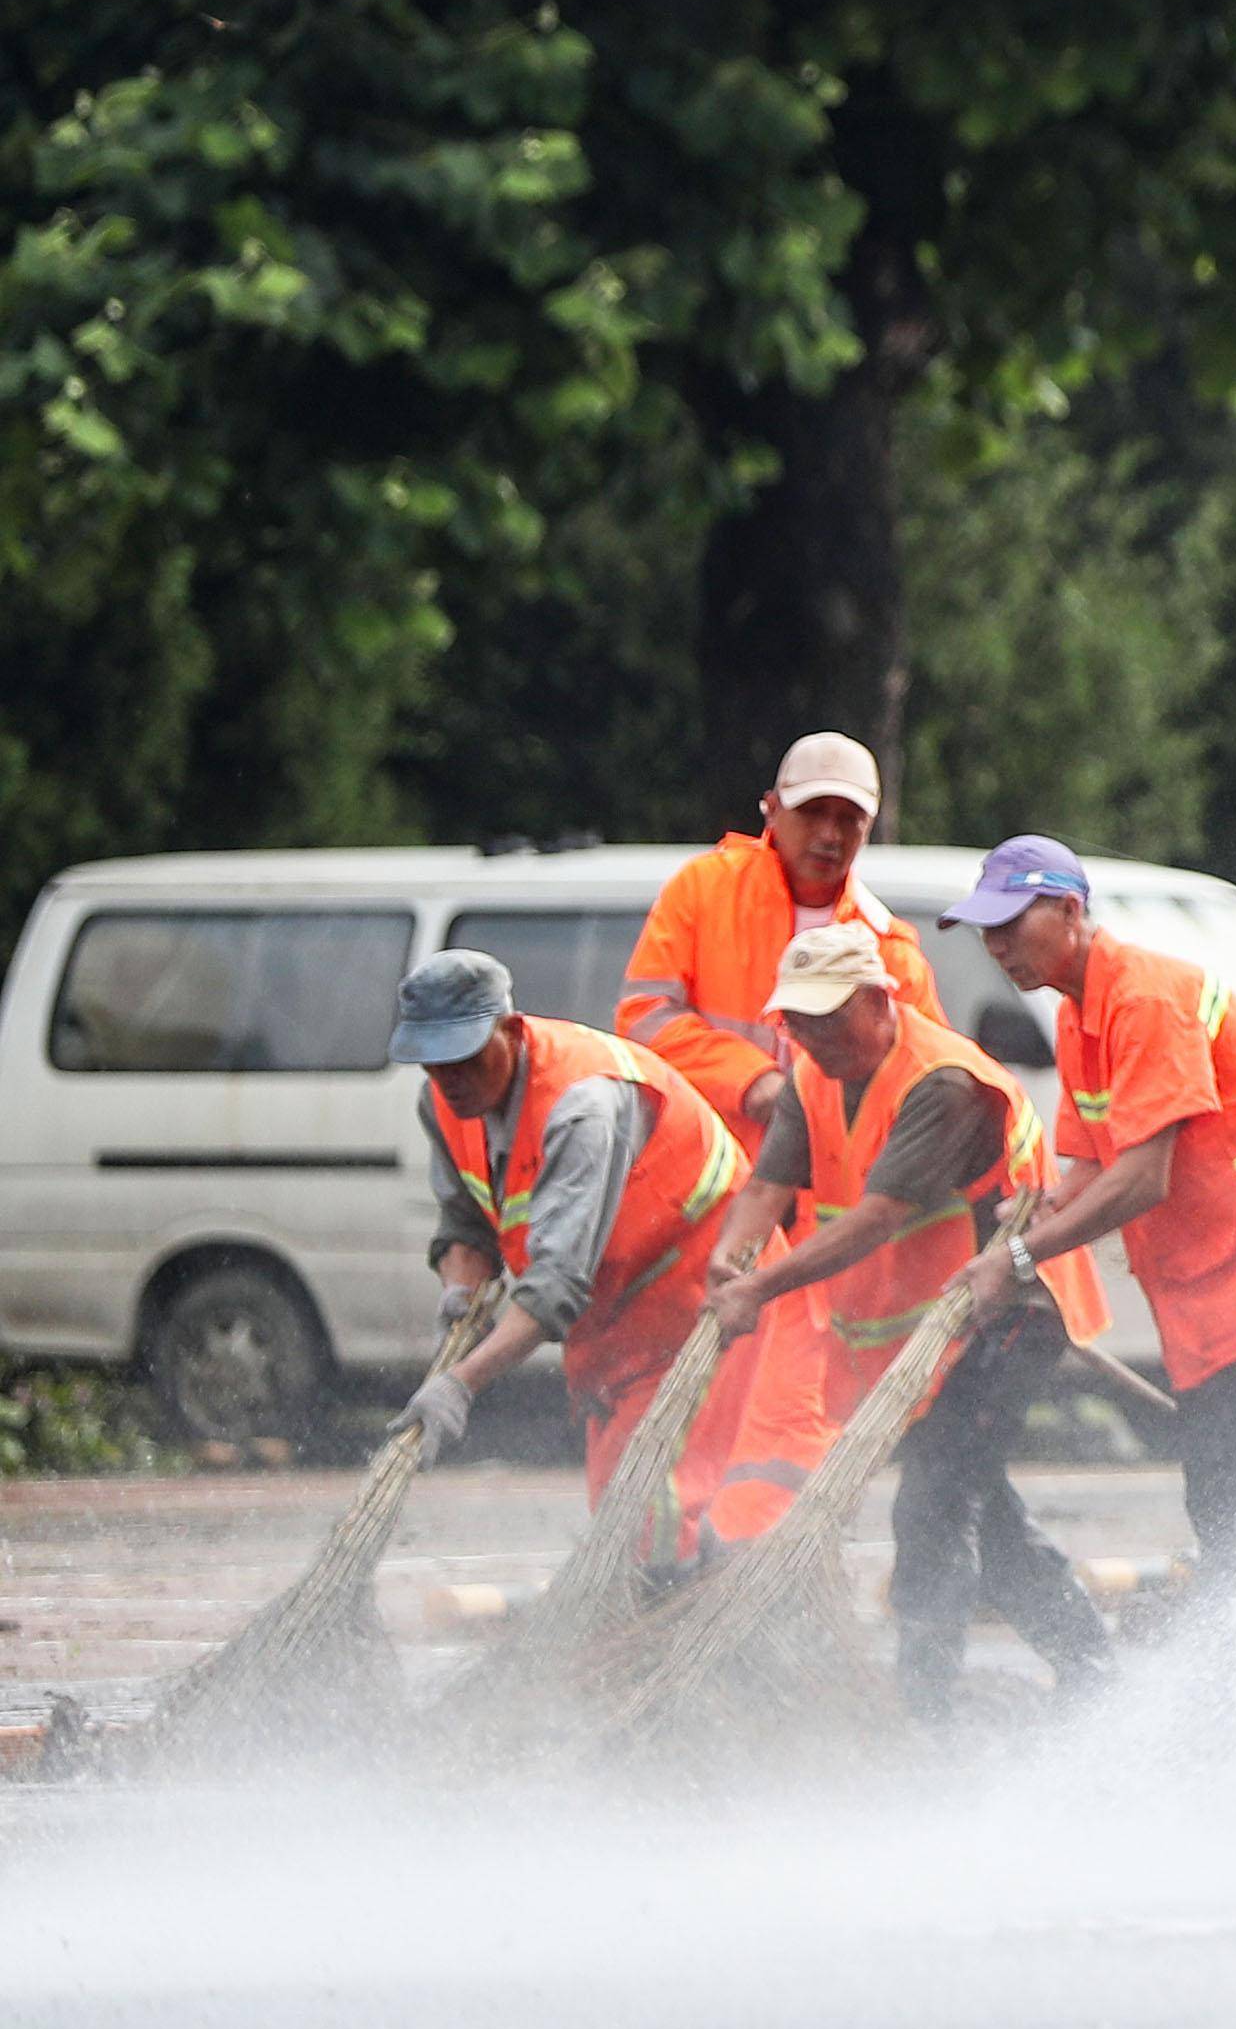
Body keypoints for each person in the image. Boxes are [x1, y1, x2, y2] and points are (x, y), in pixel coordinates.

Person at [697, 920, 1115, 1722]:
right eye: (800, 1021)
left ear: (880, 1000)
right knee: (972, 1504)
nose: (815, 1036)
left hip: (1011, 1307)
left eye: (830, 1016)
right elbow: (766, 1186)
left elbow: (874, 1220)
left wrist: (762, 1287)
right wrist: (731, 1259)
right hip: (932, 1325)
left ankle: (923, 1709)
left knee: (932, 1503)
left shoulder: (941, 1085)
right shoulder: (814, 1071)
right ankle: (1091, 1665)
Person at [962, 834, 1236, 1575]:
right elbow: (1091, 1163)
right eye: (987, 928)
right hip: (1231, 1267)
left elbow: (1140, 1179)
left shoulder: (1143, 996)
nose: (997, 944)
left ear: (1070, 909)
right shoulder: (1078, 1011)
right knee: (1230, 1480)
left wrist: (1015, 1255)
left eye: (1012, 923)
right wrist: (1036, 1215)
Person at [387, 950, 766, 1556]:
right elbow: (466, 1221)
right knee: (623, 1502)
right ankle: (680, 1610)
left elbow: (556, 1285)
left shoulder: (582, 1104)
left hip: (706, 1294)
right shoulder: (443, 1105)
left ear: (511, 1032)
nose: (450, 1079)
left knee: (656, 1507)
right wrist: (460, 1294)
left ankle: (677, 1627)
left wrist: (462, 1383)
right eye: (434, 1065)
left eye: (464, 1058)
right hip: (618, 1311)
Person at [617, 731, 946, 1131]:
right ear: (771, 809)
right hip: (701, 1170)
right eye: (812, 811)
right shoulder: (702, 890)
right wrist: (753, 1081)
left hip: (826, 1185)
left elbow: (930, 1076)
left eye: (848, 818)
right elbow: (644, 1017)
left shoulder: (888, 949)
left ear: (869, 827)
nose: (829, 834)